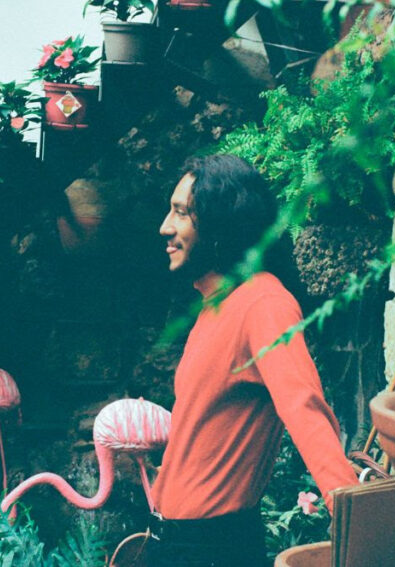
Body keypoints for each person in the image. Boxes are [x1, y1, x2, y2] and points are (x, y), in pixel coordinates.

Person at [149, 155, 358, 566]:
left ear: (220, 223)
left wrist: (360, 523)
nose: (165, 227)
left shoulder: (263, 303)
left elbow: (305, 411)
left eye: (181, 213)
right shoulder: (216, 302)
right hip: (175, 543)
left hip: (210, 549)